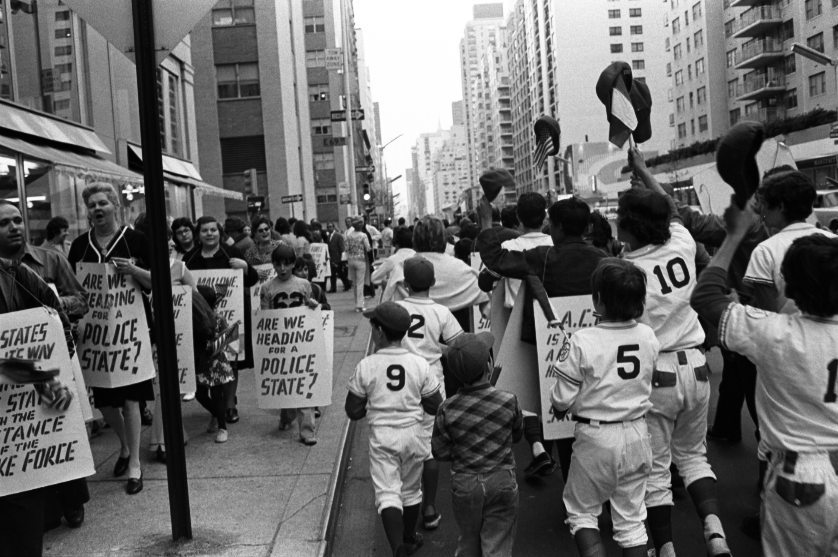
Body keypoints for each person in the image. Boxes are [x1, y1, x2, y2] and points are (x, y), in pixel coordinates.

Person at [691, 200, 838, 557]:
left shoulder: (773, 332)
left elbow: (705, 295)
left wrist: (735, 234)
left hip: (802, 475)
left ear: (787, 283)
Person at [615, 181, 729, 556]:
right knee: (695, 458)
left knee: (657, 470)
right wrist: (645, 173)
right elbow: (672, 209)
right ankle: (714, 532)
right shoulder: (681, 240)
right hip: (696, 366)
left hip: (656, 373)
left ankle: (665, 548)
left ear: (632, 226)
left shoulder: (628, 268)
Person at [476, 196, 607, 481]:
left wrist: (486, 224)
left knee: (559, 417)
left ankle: (575, 490)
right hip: (600, 348)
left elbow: (495, 260)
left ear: (557, 227)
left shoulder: (543, 257)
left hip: (554, 348)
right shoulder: (604, 259)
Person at [550, 258, 658, 557]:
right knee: (632, 520)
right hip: (638, 432)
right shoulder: (648, 335)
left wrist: (560, 406)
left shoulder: (582, 339)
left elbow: (561, 399)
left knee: (582, 512)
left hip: (597, 436)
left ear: (598, 300)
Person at [0, 201, 90, 532]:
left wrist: (50, 315)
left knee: (54, 434)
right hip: (7, 376)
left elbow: (71, 305)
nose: (14, 227)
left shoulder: (35, 266)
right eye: (3, 223)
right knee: (21, 447)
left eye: (17, 220)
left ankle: (72, 501)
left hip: (40, 369)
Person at [67, 182, 153, 495]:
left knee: (131, 399)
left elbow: (157, 282)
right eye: (91, 206)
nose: (97, 209)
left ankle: (134, 466)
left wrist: (134, 270)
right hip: (97, 336)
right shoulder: (79, 246)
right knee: (104, 403)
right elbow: (73, 290)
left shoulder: (135, 240)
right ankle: (127, 446)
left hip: (130, 333)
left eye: (103, 203)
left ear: (115, 205)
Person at [345, 302, 443, 557]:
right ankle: (409, 537)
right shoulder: (420, 363)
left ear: (379, 331)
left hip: (382, 437)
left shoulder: (366, 365)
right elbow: (435, 404)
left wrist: (376, 406)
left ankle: (397, 547)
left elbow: (352, 410)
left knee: (388, 494)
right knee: (411, 490)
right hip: (413, 434)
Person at [0, 247, 77, 557]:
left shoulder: (14, 273)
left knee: (21, 515)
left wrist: (55, 364)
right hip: (23, 382)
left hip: (18, 418)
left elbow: (55, 315)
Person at [432, 332, 523, 557]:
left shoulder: (447, 408)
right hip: (502, 479)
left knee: (469, 540)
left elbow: (440, 451)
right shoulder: (508, 400)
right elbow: (517, 435)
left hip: (465, 483)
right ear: (489, 365)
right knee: (498, 543)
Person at [396, 256, 464, 530]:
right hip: (432, 382)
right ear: (433, 283)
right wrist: (440, 350)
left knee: (404, 437)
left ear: (405, 283)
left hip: (401, 380)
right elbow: (459, 346)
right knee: (430, 447)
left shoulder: (397, 308)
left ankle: (404, 498)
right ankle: (430, 506)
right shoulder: (441, 311)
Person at [184, 216, 259, 424]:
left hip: (231, 317)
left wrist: (245, 266)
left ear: (220, 232)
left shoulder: (232, 253)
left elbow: (252, 280)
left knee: (231, 360)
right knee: (204, 361)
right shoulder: (189, 259)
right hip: (199, 324)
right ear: (198, 234)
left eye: (213, 230)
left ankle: (230, 405)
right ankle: (217, 402)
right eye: (205, 230)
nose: (209, 234)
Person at [743, 169, 834, 315]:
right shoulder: (831, 241)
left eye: (764, 203)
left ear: (780, 206)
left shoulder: (765, 251)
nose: (760, 209)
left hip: (788, 336)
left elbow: (767, 318)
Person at [260, 245, 320, 445]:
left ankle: (307, 431)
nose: (282, 268)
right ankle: (287, 416)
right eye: (278, 264)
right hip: (279, 344)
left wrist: (312, 305)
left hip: (301, 342)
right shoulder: (267, 288)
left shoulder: (304, 284)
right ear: (273, 265)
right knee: (286, 386)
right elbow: (266, 317)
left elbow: (310, 309)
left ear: (294, 263)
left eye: (287, 264)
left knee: (303, 385)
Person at [195, 284, 236, 444]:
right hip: (200, 361)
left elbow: (227, 338)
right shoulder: (194, 319)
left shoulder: (219, 319)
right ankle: (216, 413)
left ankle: (222, 427)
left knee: (217, 393)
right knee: (199, 394)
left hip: (215, 361)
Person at [373, 227, 416, 302]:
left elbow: (374, 278)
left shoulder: (392, 260)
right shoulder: (419, 257)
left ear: (396, 244)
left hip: (396, 304)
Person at [346, 216, 372, 312]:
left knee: (355, 283)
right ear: (360, 224)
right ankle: (360, 306)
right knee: (360, 283)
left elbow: (347, 249)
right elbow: (368, 248)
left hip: (351, 260)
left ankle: (356, 303)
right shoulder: (363, 235)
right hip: (361, 260)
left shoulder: (348, 236)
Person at [327, 222, 351, 293]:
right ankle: (346, 284)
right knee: (338, 273)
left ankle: (334, 287)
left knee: (336, 273)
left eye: (330, 227)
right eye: (328, 227)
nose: (329, 228)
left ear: (334, 227)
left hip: (338, 258)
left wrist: (343, 259)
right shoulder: (328, 236)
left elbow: (342, 247)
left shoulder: (338, 235)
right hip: (332, 257)